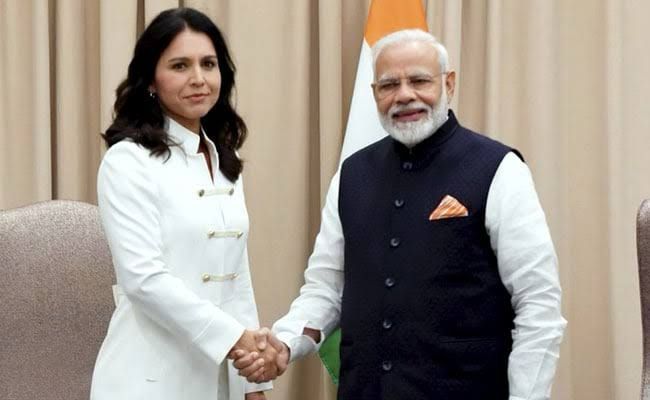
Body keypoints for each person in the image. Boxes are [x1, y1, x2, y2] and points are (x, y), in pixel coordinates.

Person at [234, 29, 567, 399]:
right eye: (389, 84)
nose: (404, 95)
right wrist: (284, 343)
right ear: (374, 93)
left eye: (420, 80)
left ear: (449, 84)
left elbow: (538, 305)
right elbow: (326, 289)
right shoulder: (352, 174)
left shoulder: (499, 168)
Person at [90, 7, 274, 400]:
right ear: (151, 80)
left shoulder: (223, 158)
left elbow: (237, 280)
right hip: (148, 379)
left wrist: (253, 384)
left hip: (220, 377)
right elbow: (144, 280)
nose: (198, 79)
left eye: (209, 64)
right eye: (179, 65)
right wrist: (235, 339)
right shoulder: (127, 161)